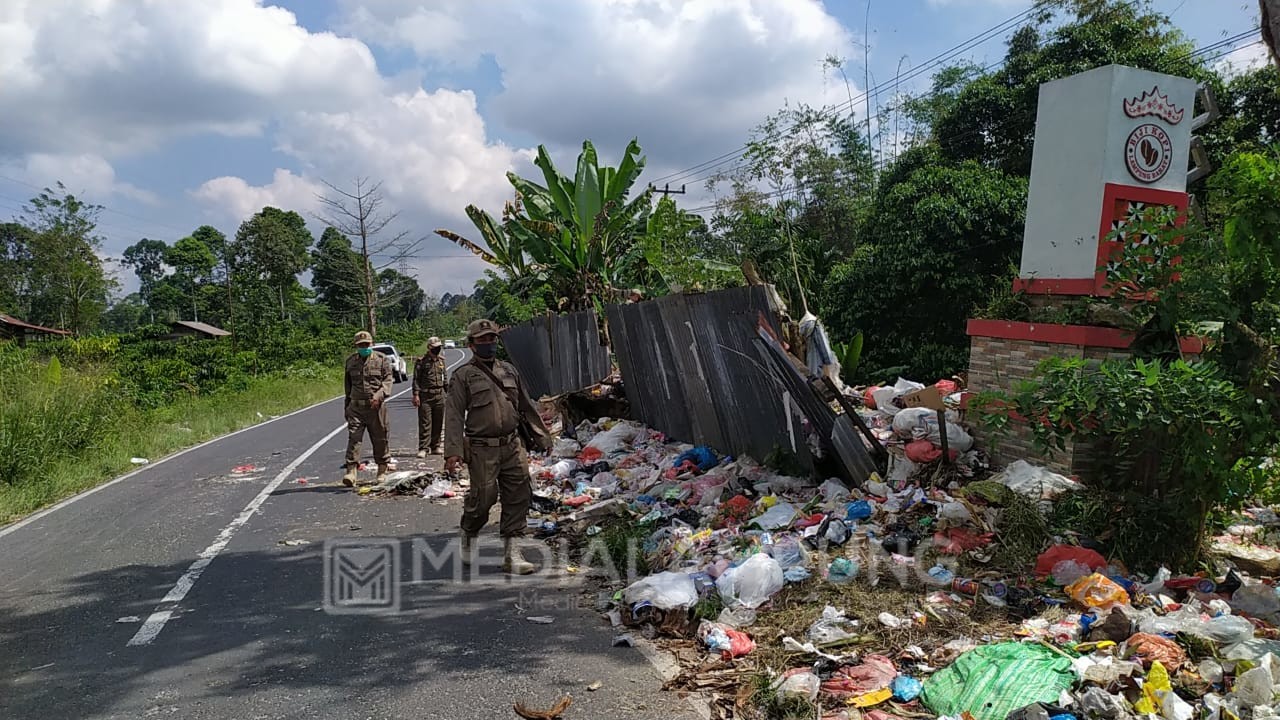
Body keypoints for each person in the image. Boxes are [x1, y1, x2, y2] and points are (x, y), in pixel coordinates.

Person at [444, 319, 553, 574]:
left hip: (513, 444)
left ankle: (512, 553)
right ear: (471, 345)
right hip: (482, 448)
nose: (488, 344)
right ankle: (469, 530)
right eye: (482, 340)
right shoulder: (463, 376)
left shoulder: (509, 371)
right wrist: (453, 452)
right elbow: (454, 415)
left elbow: (526, 406)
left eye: (491, 339)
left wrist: (542, 436)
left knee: (519, 496)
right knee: (484, 498)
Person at [342, 330, 394, 487]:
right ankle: (351, 471)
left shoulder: (382, 360)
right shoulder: (351, 361)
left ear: (371, 344)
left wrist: (379, 396)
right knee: (354, 439)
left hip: (376, 408)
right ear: (356, 346)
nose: (364, 347)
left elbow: (388, 381)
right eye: (360, 345)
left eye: (366, 345)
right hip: (356, 407)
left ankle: (382, 470)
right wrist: (347, 407)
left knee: (380, 438)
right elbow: (347, 386)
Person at [413, 336, 448, 458]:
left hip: (439, 395)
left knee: (438, 422)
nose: (437, 350)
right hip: (425, 396)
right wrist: (416, 395)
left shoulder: (441, 361)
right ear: (429, 348)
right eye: (435, 348)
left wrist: (448, 394)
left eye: (439, 347)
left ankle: (435, 446)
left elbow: (445, 379)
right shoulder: (422, 361)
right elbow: (416, 379)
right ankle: (423, 448)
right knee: (425, 423)